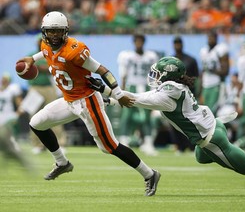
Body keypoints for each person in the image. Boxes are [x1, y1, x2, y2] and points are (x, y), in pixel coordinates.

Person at [16, 11, 160, 197]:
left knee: (109, 146)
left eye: (58, 31)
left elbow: (103, 70)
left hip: (87, 101)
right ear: (44, 32)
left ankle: (150, 174)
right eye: (50, 31)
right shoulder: (45, 44)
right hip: (69, 100)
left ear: (65, 31)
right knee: (36, 123)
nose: (53, 35)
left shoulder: (75, 50)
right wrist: (32, 59)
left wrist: (118, 93)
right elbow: (45, 51)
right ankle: (62, 163)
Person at [88, 56, 245, 183]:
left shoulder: (167, 96)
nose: (154, 77)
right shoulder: (176, 87)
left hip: (211, 139)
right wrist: (112, 100)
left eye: (158, 74)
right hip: (214, 125)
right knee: (200, 157)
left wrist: (106, 90)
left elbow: (135, 99)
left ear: (168, 77)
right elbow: (138, 99)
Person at [117, 33, 159, 155]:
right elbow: (123, 75)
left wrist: (155, 90)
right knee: (127, 114)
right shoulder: (127, 56)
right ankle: (124, 140)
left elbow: (154, 76)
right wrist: (121, 92)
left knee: (146, 115)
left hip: (145, 87)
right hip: (131, 87)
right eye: (137, 41)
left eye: (141, 41)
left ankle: (147, 141)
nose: (139, 43)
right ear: (134, 42)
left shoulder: (151, 56)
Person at [26, 34, 67, 154]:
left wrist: (40, 67)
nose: (41, 43)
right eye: (39, 41)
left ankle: (60, 142)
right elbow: (29, 67)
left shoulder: (51, 53)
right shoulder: (32, 55)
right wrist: (45, 67)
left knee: (56, 114)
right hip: (35, 87)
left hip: (49, 87)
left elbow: (54, 67)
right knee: (33, 116)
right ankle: (37, 145)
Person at [172, 36, 199, 153]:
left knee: (191, 120)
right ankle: (180, 146)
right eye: (175, 43)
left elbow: (196, 78)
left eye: (179, 43)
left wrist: (198, 93)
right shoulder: (170, 61)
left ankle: (193, 146)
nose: (177, 45)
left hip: (188, 94)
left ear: (182, 44)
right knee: (176, 121)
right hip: (174, 95)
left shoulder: (190, 60)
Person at [0, 73, 30, 169]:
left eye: (6, 79)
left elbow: (20, 104)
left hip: (8, 116)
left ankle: (14, 150)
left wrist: (16, 114)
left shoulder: (13, 89)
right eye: (3, 79)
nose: (4, 81)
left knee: (10, 136)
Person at [199, 30, 230, 115]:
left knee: (212, 112)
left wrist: (212, 70)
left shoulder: (220, 50)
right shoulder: (204, 51)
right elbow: (203, 71)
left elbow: (225, 71)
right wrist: (200, 90)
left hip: (216, 84)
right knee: (203, 113)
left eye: (212, 37)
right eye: (209, 37)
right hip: (206, 85)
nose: (210, 39)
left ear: (216, 38)